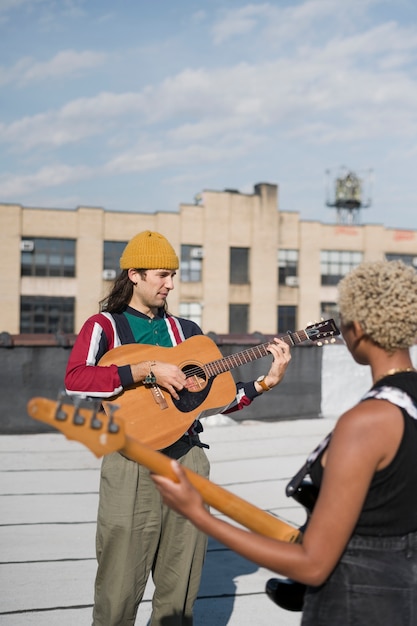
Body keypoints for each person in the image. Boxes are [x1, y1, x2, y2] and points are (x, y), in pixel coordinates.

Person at [152, 259, 417, 626]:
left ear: (356, 328)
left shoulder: (367, 422)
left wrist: (199, 515)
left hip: (357, 604)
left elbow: (312, 563)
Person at [64, 230, 292, 626]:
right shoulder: (104, 326)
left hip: (188, 460)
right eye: (161, 275)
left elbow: (213, 402)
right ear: (133, 274)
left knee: (180, 587)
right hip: (130, 462)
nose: (170, 284)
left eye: (173, 275)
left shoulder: (187, 332)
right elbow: (76, 379)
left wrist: (264, 384)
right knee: (119, 584)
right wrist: (143, 369)